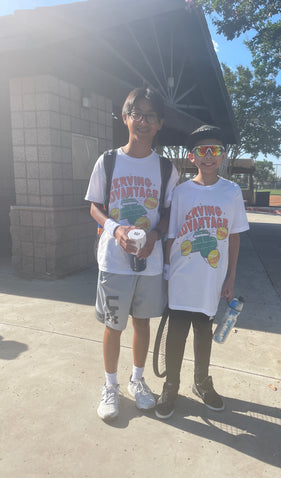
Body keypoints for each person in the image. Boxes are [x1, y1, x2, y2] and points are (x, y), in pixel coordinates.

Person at [85, 87, 179, 421]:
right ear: (125, 118)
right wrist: (116, 230)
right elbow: (95, 206)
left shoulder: (167, 169)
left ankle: (137, 381)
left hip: (149, 262)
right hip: (114, 260)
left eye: (150, 115)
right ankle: (110, 386)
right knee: (113, 325)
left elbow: (170, 212)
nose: (142, 120)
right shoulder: (108, 161)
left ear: (159, 124)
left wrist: (155, 234)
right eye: (135, 113)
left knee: (142, 322)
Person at [155, 124, 249, 419]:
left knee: (203, 331)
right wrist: (168, 274)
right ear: (191, 156)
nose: (209, 156)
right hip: (182, 276)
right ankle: (171, 384)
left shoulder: (231, 192)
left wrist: (231, 276)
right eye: (202, 151)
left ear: (222, 155)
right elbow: (172, 236)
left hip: (212, 276)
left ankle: (201, 381)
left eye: (215, 150)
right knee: (177, 331)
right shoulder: (182, 192)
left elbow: (234, 236)